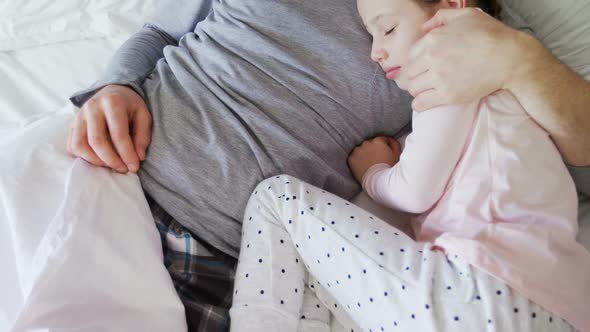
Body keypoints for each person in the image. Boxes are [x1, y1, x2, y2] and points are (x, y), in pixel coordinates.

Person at [67, 0, 590, 330]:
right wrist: (116, 85)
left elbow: (565, 157)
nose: (379, 52)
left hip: (240, 264)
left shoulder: (463, 37)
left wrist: (522, 60)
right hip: (108, 170)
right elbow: (156, 32)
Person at [228, 0, 590, 331]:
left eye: (387, 29)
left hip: (484, 289)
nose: (375, 52)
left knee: (275, 199)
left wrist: (374, 173)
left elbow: (413, 192)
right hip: (560, 308)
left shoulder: (455, 67)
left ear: (450, 9)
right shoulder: (518, 94)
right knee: (318, 283)